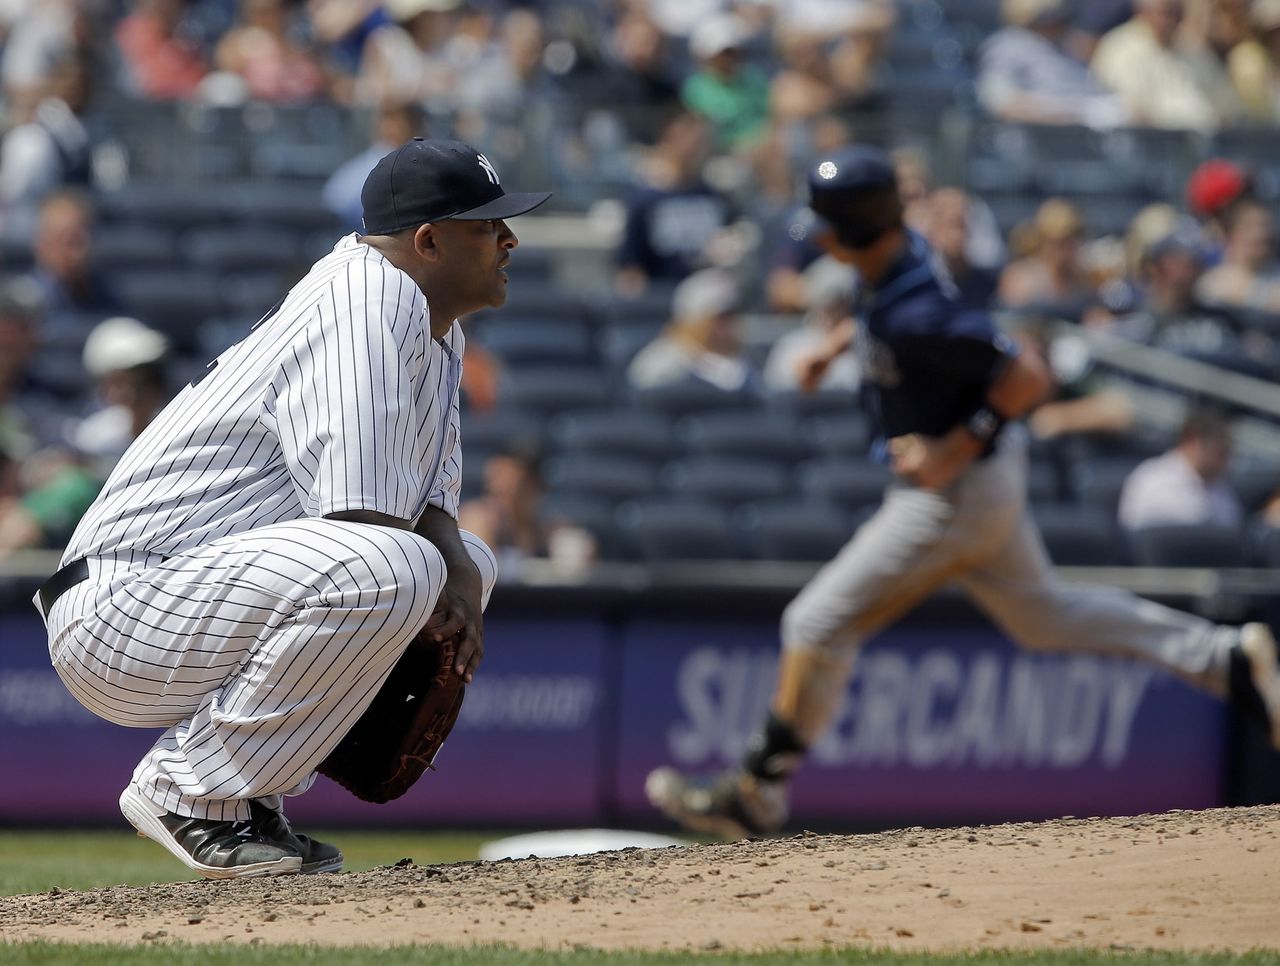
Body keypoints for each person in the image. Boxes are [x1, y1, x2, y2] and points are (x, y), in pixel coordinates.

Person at [645, 145, 1280, 839]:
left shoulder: (916, 310)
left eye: (828, 225)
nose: (818, 237)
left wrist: (953, 445)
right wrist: (840, 346)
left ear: (858, 229)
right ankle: (1223, 658)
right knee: (1046, 618)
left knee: (816, 623)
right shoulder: (896, 256)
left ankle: (757, 791)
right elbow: (887, 310)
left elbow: (1029, 376)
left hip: (955, 492)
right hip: (982, 483)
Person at [34, 138, 549, 878]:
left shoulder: (436, 327)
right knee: (394, 565)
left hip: (192, 595)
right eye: (487, 226)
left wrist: (462, 584)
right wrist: (430, 592)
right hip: (125, 606)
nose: (509, 240)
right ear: (429, 241)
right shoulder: (370, 294)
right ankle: (187, 791)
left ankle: (250, 798)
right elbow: (362, 517)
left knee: (465, 562)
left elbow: (430, 503)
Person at [1090, 0, 1242, 130]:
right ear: (1143, 12)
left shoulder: (1194, 48)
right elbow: (1130, 111)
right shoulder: (1118, 49)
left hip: (1202, 145)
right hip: (1150, 147)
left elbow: (1226, 103)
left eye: (1177, 13)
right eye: (1165, 13)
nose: (1171, 20)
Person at [978, 0, 1129, 126]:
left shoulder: (1068, 47)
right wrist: (1078, 110)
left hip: (1083, 144)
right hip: (1035, 145)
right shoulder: (1007, 45)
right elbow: (1002, 104)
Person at [627, 267, 760, 393]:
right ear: (690, 320)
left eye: (730, 317)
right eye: (718, 319)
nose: (726, 327)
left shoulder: (744, 364)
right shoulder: (659, 364)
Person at [1118, 405, 1242, 531]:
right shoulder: (1153, 480)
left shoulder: (1221, 489)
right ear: (1192, 440)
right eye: (1222, 452)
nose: (1228, 461)